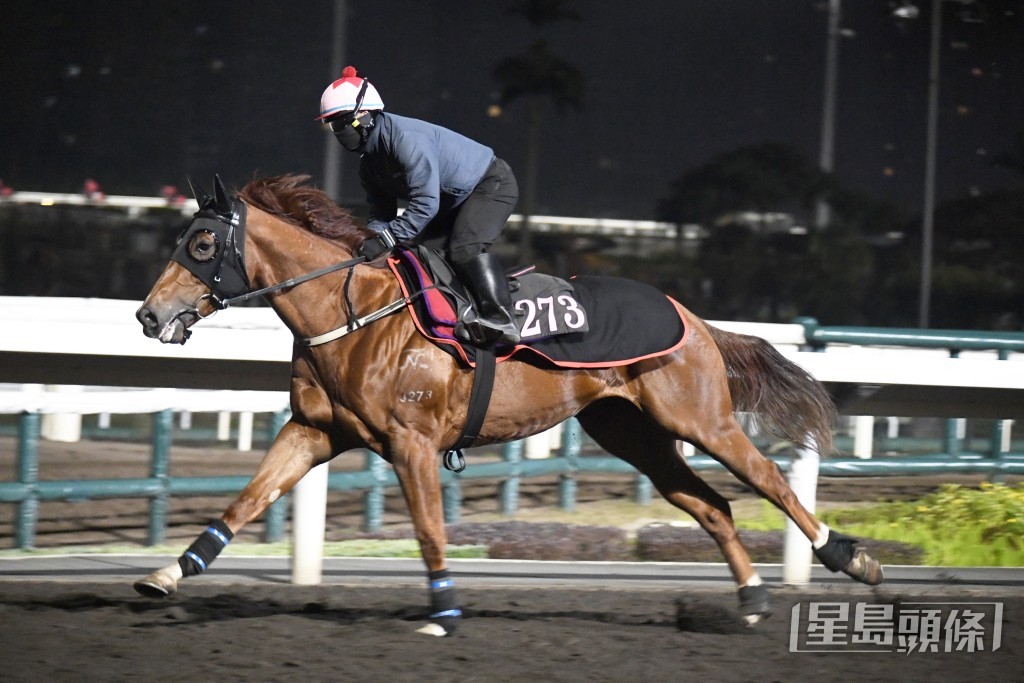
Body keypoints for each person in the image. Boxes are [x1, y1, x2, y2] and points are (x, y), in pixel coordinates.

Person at [317, 66, 521, 347]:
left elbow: (426, 203)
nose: (337, 132)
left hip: (490, 183)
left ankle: (501, 319)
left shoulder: (406, 140)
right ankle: (456, 316)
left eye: (340, 123)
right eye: (332, 125)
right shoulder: (369, 165)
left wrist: (387, 238)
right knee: (423, 257)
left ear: (363, 117)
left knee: (464, 248)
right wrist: (370, 242)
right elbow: (381, 215)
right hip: (453, 200)